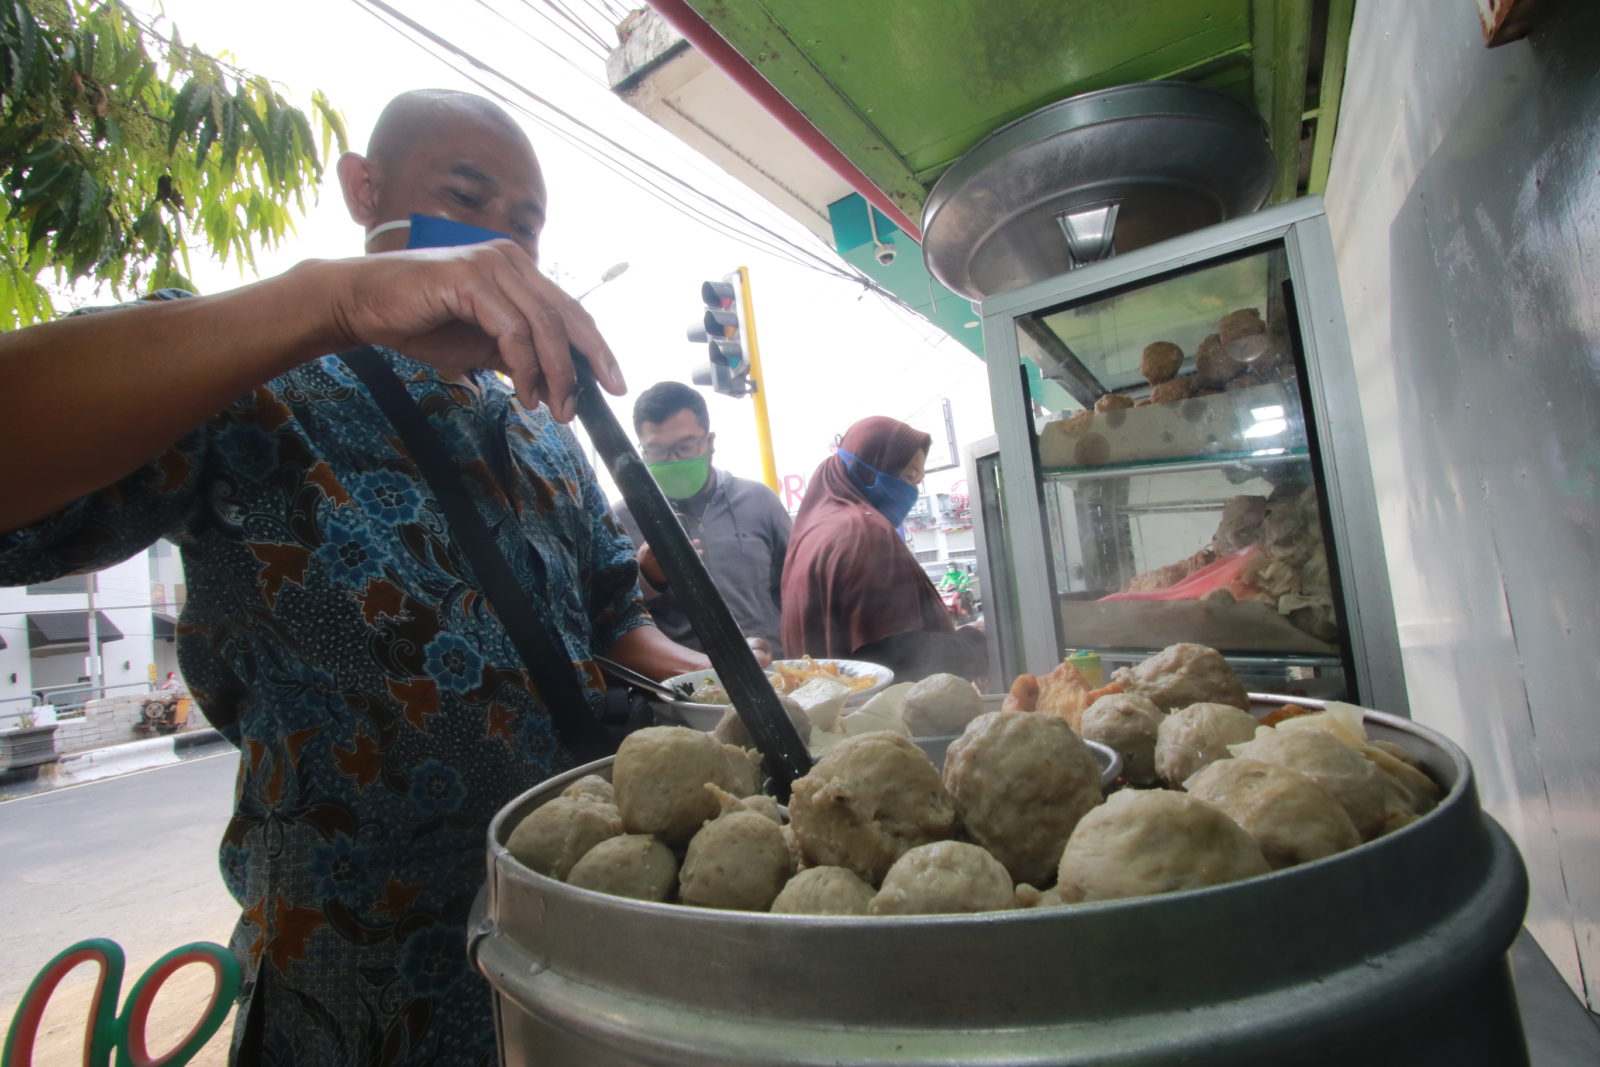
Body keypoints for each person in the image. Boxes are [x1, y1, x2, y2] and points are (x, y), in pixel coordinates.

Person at [0, 89, 708, 1065]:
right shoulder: (256, 382)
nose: (497, 241)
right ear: (363, 189)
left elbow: (611, 625)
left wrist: (734, 684)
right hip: (359, 995)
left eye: (524, 227)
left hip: (580, 957)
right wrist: (328, 301)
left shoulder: (545, 433)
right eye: (467, 198)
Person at [781, 416, 986, 682]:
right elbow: (896, 659)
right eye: (907, 477)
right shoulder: (863, 533)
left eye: (918, 480)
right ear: (867, 472)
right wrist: (977, 641)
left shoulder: (813, 531)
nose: (910, 491)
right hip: (874, 716)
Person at [613, 382, 791, 657]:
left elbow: (793, 590)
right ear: (641, 451)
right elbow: (610, 615)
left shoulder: (759, 501)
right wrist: (646, 577)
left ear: (709, 443)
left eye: (685, 447)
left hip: (773, 676)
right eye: (657, 451)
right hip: (682, 691)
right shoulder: (622, 519)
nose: (672, 460)